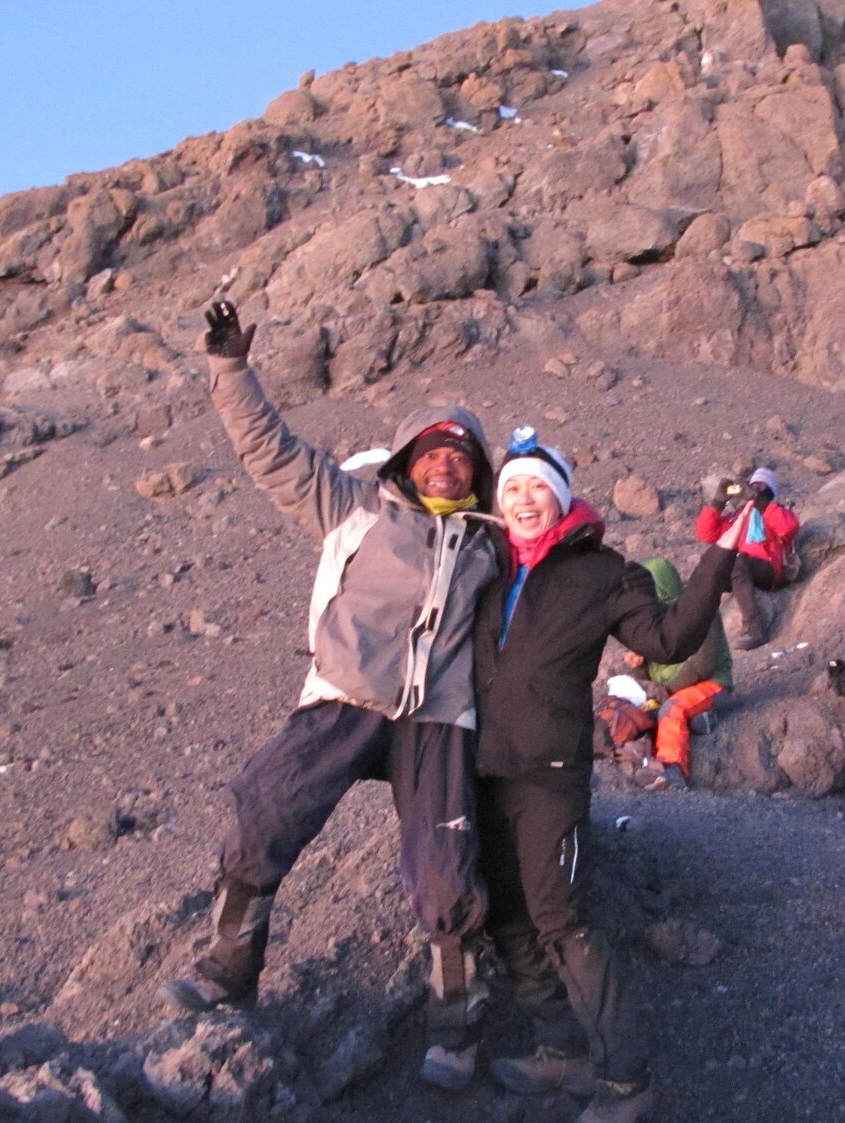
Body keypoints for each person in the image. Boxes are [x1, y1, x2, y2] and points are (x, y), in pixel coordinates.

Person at [160, 301, 500, 1090]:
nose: (445, 463)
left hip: (438, 719)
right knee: (263, 806)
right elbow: (270, 453)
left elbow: (550, 557)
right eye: (432, 450)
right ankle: (228, 969)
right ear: (407, 458)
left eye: (461, 454)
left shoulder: (491, 543)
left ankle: (456, 1026)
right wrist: (230, 368)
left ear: (477, 470)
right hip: (346, 695)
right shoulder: (353, 503)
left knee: (447, 871)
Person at [474, 428, 742, 1123]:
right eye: (512, 489)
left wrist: (719, 558)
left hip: (550, 775)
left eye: (538, 487)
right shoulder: (484, 563)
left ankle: (628, 1080)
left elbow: (667, 638)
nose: (525, 500)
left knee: (563, 920)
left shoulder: (601, 572)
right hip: (484, 771)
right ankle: (557, 1046)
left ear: (561, 497)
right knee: (508, 914)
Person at [627, 556, 734, 788]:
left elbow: (701, 667)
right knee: (636, 712)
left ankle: (672, 768)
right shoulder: (651, 621)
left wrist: (662, 693)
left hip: (712, 684)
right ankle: (699, 721)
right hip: (672, 688)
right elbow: (650, 677)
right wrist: (640, 667)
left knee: (672, 708)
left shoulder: (700, 609)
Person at [695, 466, 800, 649]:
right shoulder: (738, 516)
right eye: (753, 485)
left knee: (739, 562)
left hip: (768, 569)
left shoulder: (776, 511)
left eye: (762, 486)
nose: (756, 489)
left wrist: (761, 504)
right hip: (740, 568)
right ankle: (695, 629)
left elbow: (788, 528)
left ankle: (754, 628)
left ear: (771, 491)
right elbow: (707, 534)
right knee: (709, 566)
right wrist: (717, 503)